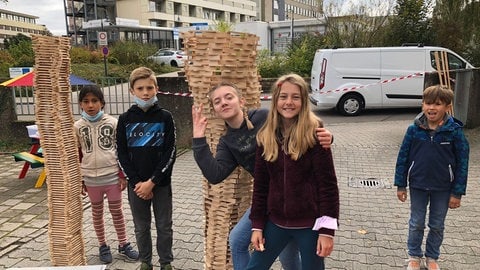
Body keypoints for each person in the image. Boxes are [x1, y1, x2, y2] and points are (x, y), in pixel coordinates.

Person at [192, 81, 333, 270]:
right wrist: (199, 139)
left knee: (289, 257)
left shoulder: (264, 117)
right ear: (215, 111)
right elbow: (215, 174)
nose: (224, 103)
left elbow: (301, 126)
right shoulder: (227, 142)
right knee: (237, 240)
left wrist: (326, 137)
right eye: (217, 102)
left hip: (301, 204)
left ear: (241, 101)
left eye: (228, 97)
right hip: (269, 198)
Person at [246, 73, 339, 270]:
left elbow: (328, 186)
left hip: (310, 226)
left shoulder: (316, 134)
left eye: (295, 97)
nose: (289, 102)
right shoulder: (265, 136)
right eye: (283, 96)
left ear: (304, 101)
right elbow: (261, 186)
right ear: (275, 100)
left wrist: (327, 231)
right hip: (275, 223)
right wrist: (257, 225)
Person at [394, 85, 469, 270]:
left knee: (436, 224)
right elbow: (403, 157)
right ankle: (414, 256)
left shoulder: (455, 132)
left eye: (437, 104)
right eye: (428, 103)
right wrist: (401, 185)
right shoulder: (414, 129)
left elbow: (463, 163)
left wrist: (457, 193)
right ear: (422, 105)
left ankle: (432, 257)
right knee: (416, 223)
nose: (431, 108)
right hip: (418, 185)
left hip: (443, 188)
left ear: (447, 107)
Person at [116, 67, 177, 270]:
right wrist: (137, 183)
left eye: (149, 88)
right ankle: (145, 262)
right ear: (131, 90)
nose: (145, 93)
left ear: (156, 89)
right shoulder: (124, 120)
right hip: (137, 187)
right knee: (141, 228)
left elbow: (170, 153)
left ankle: (166, 262)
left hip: (160, 184)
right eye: (140, 88)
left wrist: (152, 182)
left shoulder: (165, 117)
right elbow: (121, 154)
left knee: (164, 227)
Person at [74, 85, 139, 264]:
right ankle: (103, 245)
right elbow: (78, 154)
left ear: (102, 103)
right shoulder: (77, 127)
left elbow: (121, 150)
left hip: (111, 176)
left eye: (94, 101)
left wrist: (122, 174)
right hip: (91, 179)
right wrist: (80, 179)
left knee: (117, 212)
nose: (90, 105)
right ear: (80, 104)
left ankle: (123, 243)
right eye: (86, 101)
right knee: (96, 213)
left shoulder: (113, 123)